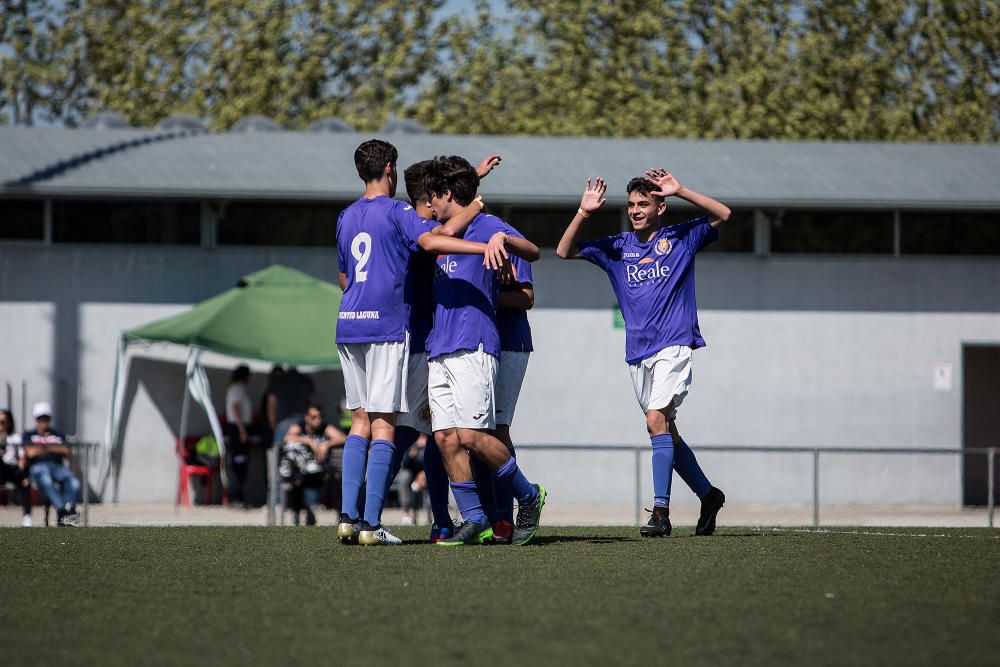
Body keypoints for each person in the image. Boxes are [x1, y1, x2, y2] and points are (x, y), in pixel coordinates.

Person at [335, 138, 499, 546]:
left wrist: (471, 180)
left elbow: (343, 279)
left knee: (362, 422)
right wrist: (482, 231)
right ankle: (375, 525)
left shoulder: (345, 216)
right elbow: (433, 235)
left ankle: (347, 517)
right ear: (389, 168)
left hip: (349, 324)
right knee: (396, 426)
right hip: (396, 330)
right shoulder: (398, 212)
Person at [555, 170, 729, 537]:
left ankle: (661, 513)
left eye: (643, 204)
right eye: (631, 204)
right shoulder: (618, 247)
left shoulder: (681, 237)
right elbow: (564, 250)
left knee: (654, 420)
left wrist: (682, 189)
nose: (635, 210)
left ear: (660, 207)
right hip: (637, 354)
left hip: (675, 345)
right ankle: (709, 495)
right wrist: (583, 212)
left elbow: (723, 214)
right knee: (665, 429)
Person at [422, 155, 547, 547]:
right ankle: (474, 519)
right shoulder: (440, 230)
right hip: (438, 347)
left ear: (445, 195)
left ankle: (528, 496)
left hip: (474, 343)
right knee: (445, 439)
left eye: (433, 198)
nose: (429, 206)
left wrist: (503, 240)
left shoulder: (490, 226)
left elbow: (533, 251)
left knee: (474, 435)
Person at [400, 153, 502, 543]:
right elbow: (438, 235)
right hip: (426, 341)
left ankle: (471, 516)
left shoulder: (432, 218)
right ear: (426, 200)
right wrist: (474, 200)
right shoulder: (417, 225)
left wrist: (469, 182)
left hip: (440, 340)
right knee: (423, 434)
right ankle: (441, 517)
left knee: (443, 434)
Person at [281, 404, 345, 525]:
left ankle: (341, 518)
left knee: (337, 480)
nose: (318, 419)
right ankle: (298, 516)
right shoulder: (300, 426)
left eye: (320, 416)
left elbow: (343, 438)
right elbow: (288, 437)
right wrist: (310, 441)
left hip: (321, 473)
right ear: (307, 418)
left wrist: (326, 444)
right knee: (295, 480)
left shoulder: (324, 427)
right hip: (303, 473)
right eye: (314, 417)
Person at [22, 402, 81, 527]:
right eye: (40, 418)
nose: (44, 421)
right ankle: (62, 511)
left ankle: (67, 509)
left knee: (74, 483)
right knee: (46, 479)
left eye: (46, 418)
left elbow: (66, 450)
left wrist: (43, 448)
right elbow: (30, 452)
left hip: (57, 466)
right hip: (38, 467)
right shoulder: (29, 434)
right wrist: (53, 447)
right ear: (36, 419)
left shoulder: (57, 434)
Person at [224, 364, 253, 505]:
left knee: (242, 463)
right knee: (239, 462)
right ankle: (234, 497)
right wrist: (242, 429)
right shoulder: (236, 388)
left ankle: (238, 496)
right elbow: (235, 408)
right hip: (237, 428)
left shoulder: (240, 388)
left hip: (240, 427)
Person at [1, 410, 32, 527]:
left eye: (3, 422)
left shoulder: (15, 438)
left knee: (25, 484)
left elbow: (21, 456)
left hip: (12, 469)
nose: (2, 425)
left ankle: (27, 517)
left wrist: (22, 470)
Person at [267, 366, 315, 444]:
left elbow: (271, 406)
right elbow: (312, 403)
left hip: (284, 423)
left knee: (280, 452)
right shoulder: (305, 380)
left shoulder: (278, 381)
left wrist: (273, 425)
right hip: (302, 421)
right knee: (302, 452)